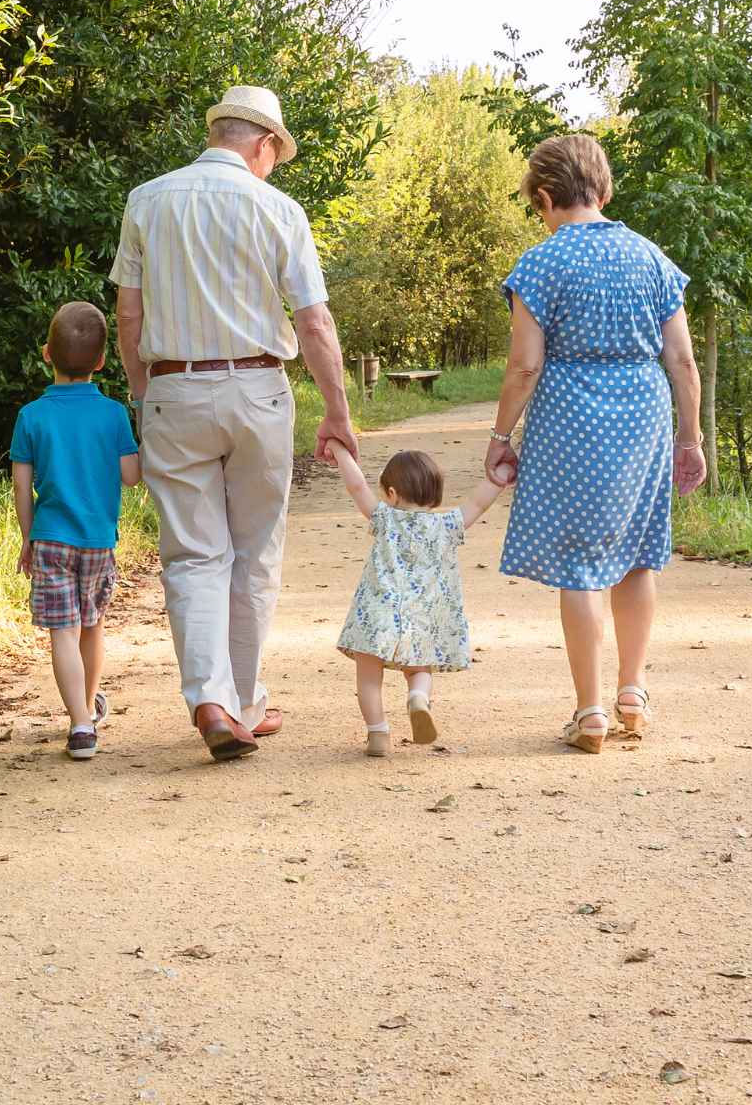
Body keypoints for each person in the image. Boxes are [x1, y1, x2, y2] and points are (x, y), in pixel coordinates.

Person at [110, 86, 358, 763]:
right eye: (277, 153)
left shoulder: (147, 200)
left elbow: (127, 315)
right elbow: (313, 321)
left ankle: (210, 699)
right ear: (264, 144)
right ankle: (244, 702)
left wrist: (145, 394)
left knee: (193, 553)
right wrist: (337, 411)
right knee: (255, 552)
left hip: (172, 389)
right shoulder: (277, 209)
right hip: (257, 390)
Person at [484, 133, 706, 755]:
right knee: (637, 554)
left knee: (580, 564)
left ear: (546, 198)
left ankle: (590, 712)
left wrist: (501, 436)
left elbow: (524, 367)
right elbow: (683, 363)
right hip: (642, 414)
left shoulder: (542, 263)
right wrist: (689, 439)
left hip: (571, 417)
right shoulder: (652, 259)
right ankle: (632, 692)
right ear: (604, 190)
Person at [11, 301, 141, 761]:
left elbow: (22, 486)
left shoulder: (32, 416)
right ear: (102, 361)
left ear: (47, 353)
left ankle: (81, 723)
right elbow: (130, 475)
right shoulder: (112, 415)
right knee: (92, 626)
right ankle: (86, 707)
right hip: (98, 542)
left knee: (61, 632)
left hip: (50, 539)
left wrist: (28, 536)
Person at [328, 439, 507, 757]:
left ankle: (378, 733)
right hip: (424, 617)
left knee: (369, 674)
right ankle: (418, 699)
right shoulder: (448, 524)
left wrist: (340, 451)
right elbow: (479, 502)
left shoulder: (385, 518)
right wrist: (502, 473)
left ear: (392, 494)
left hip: (378, 611)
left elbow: (356, 487)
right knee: (419, 670)